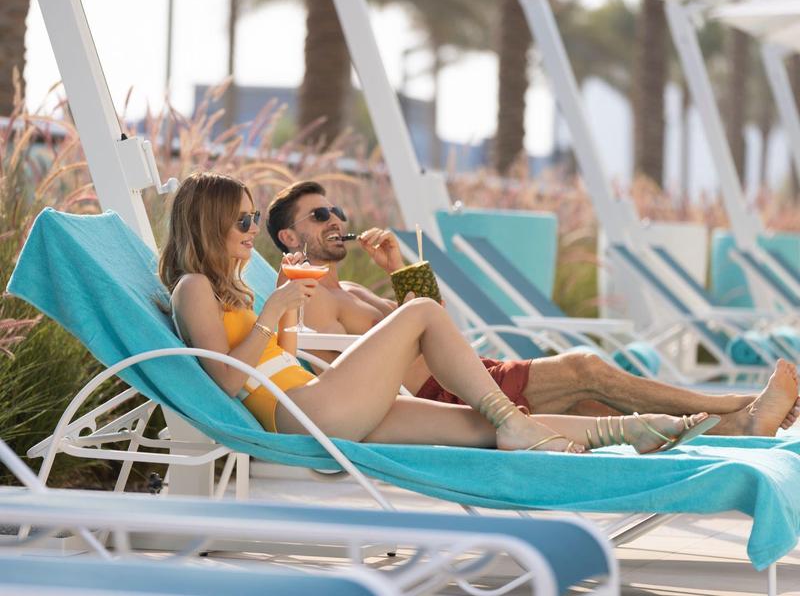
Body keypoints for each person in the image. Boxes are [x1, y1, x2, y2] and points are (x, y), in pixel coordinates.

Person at [161, 171, 722, 455]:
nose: (250, 230)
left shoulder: (299, 288)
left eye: (252, 219)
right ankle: (723, 410)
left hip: (347, 395)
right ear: (210, 223)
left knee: (486, 426)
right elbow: (226, 381)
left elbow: (435, 321)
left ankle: (634, 431)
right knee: (575, 372)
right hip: (311, 410)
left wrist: (398, 268)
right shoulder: (194, 288)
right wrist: (277, 310)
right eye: (243, 222)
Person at [265, 179, 800, 438]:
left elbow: (432, 319)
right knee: (585, 368)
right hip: (446, 396)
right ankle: (733, 401)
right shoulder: (306, 297)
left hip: (467, 374)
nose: (335, 221)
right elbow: (333, 379)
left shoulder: (351, 290)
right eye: (319, 217)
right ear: (289, 237)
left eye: (335, 210)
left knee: (593, 408)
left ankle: (742, 426)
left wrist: (397, 268)